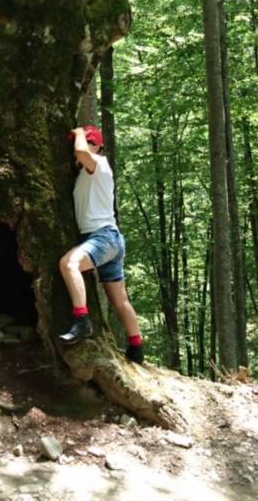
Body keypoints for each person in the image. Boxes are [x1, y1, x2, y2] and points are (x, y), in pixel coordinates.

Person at [56, 125, 144, 364]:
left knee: (69, 264)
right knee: (119, 300)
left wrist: (79, 133)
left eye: (84, 143)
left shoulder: (99, 164)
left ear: (95, 146)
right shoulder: (86, 173)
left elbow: (82, 153)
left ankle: (81, 320)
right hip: (109, 238)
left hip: (103, 237)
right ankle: (136, 347)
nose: (75, 149)